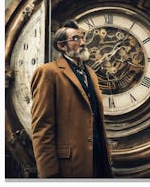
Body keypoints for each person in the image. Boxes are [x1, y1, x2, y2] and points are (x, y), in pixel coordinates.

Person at [30, 20, 112, 178]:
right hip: (70, 165)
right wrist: (49, 174)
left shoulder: (90, 73)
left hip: (98, 159)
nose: (83, 42)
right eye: (76, 38)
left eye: (83, 38)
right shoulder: (48, 72)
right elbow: (42, 127)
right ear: (61, 46)